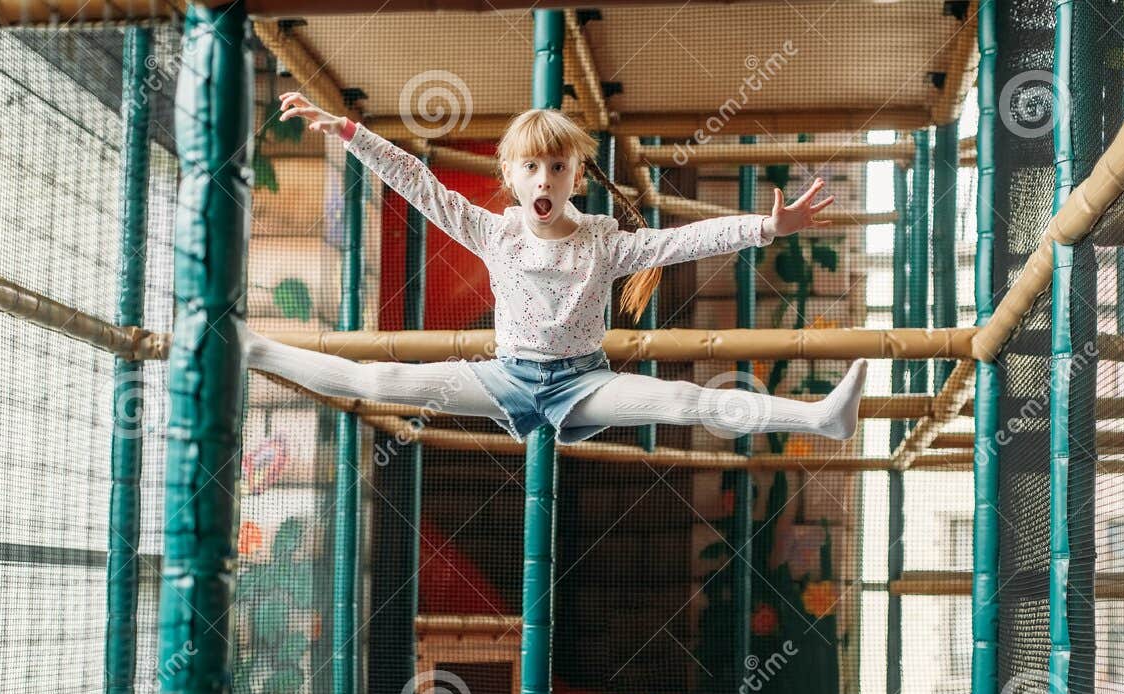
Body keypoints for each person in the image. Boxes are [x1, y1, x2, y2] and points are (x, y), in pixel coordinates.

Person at [247, 97, 867, 444]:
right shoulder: (493, 232)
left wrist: (765, 228)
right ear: (511, 178)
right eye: (531, 169)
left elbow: (684, 241)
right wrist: (353, 133)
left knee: (681, 399)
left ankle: (820, 419)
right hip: (505, 377)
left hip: (584, 384)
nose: (545, 179)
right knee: (378, 385)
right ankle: (254, 351)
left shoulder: (603, 241)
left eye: (557, 168)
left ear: (574, 176)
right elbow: (420, 184)